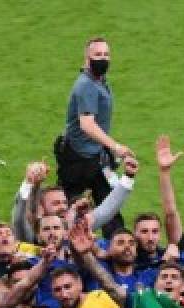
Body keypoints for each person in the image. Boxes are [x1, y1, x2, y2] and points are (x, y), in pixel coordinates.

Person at [56, 37, 128, 234]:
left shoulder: (99, 81)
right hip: (78, 161)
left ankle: (117, 244)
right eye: (98, 55)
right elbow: (87, 125)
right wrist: (115, 147)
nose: (103, 59)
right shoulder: (86, 85)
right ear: (87, 59)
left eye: (106, 55)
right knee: (71, 213)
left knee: (110, 209)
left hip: (94, 156)